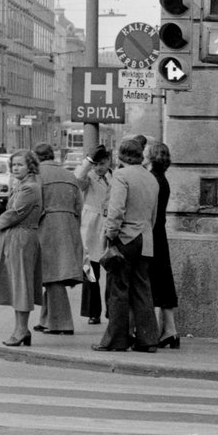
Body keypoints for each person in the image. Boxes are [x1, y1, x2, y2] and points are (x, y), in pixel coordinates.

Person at [93, 138, 160, 353]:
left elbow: (116, 210)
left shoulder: (121, 176)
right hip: (146, 238)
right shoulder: (151, 178)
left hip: (125, 238)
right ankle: (148, 339)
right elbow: (154, 215)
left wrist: (110, 234)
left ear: (121, 156)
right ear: (140, 156)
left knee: (118, 289)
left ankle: (116, 340)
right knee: (143, 289)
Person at [0, 148, 43, 347]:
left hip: (22, 237)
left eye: (20, 164)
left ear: (30, 166)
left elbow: (14, 213)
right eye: (13, 165)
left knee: (21, 285)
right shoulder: (23, 185)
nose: (16, 168)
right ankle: (21, 329)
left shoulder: (29, 188)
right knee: (17, 284)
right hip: (18, 236)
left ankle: (21, 330)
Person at [31, 142, 84, 335]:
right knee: (54, 274)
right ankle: (46, 319)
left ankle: (61, 323)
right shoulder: (69, 175)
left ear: (36, 158)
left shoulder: (36, 176)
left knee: (52, 276)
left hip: (47, 227)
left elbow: (34, 205)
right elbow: (79, 206)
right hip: (68, 226)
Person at [146, 141, 180, 349]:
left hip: (152, 233)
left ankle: (163, 331)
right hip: (161, 233)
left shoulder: (152, 180)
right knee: (163, 282)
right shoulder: (163, 179)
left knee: (149, 283)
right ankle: (170, 330)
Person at [75, 144, 113, 325]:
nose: (99, 167)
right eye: (96, 164)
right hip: (90, 224)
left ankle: (112, 310)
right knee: (90, 269)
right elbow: (77, 178)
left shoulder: (115, 176)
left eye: (103, 163)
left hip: (108, 224)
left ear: (109, 162)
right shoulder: (88, 177)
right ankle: (93, 311)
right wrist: (88, 161)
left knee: (112, 268)